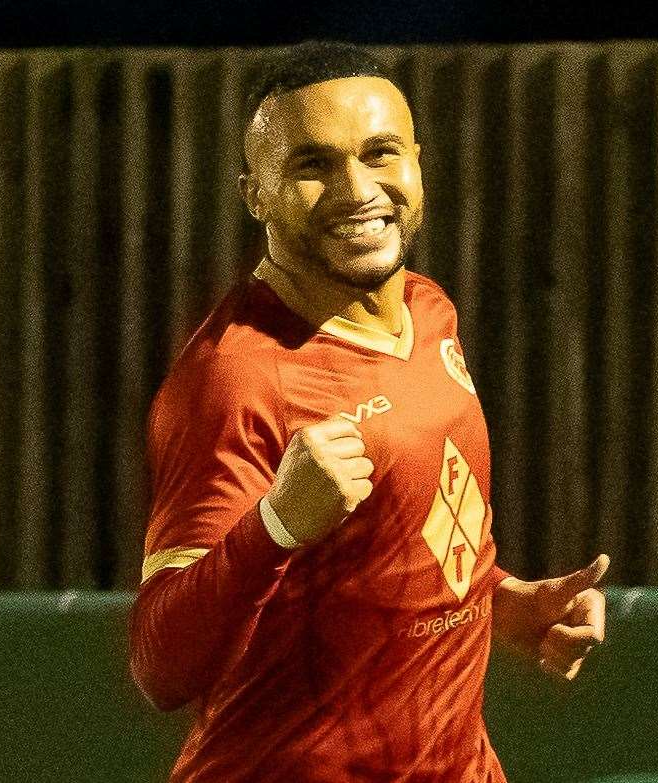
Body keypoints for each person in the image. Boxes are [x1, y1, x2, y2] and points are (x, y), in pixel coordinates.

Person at [128, 41, 610, 783]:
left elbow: (390, 551)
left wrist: (504, 602)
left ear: (418, 161)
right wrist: (277, 524)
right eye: (312, 166)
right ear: (255, 194)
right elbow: (160, 666)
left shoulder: (427, 307)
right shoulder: (234, 378)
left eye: (380, 153)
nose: (358, 189)